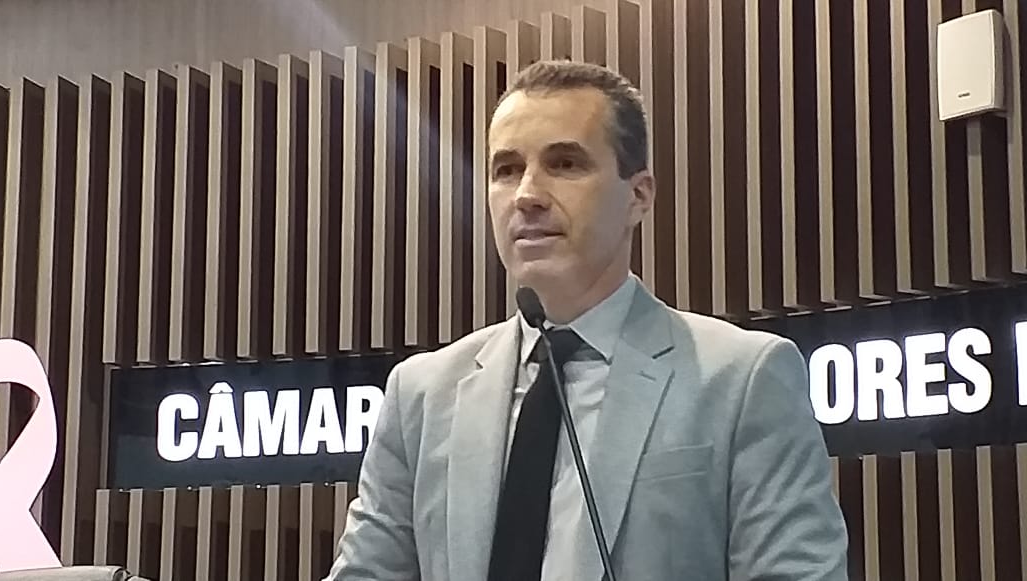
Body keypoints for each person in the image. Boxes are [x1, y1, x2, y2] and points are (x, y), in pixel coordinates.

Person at [326, 60, 848, 580]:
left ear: (638, 196)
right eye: (506, 170)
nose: (527, 195)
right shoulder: (420, 394)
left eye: (564, 164)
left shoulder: (743, 377)